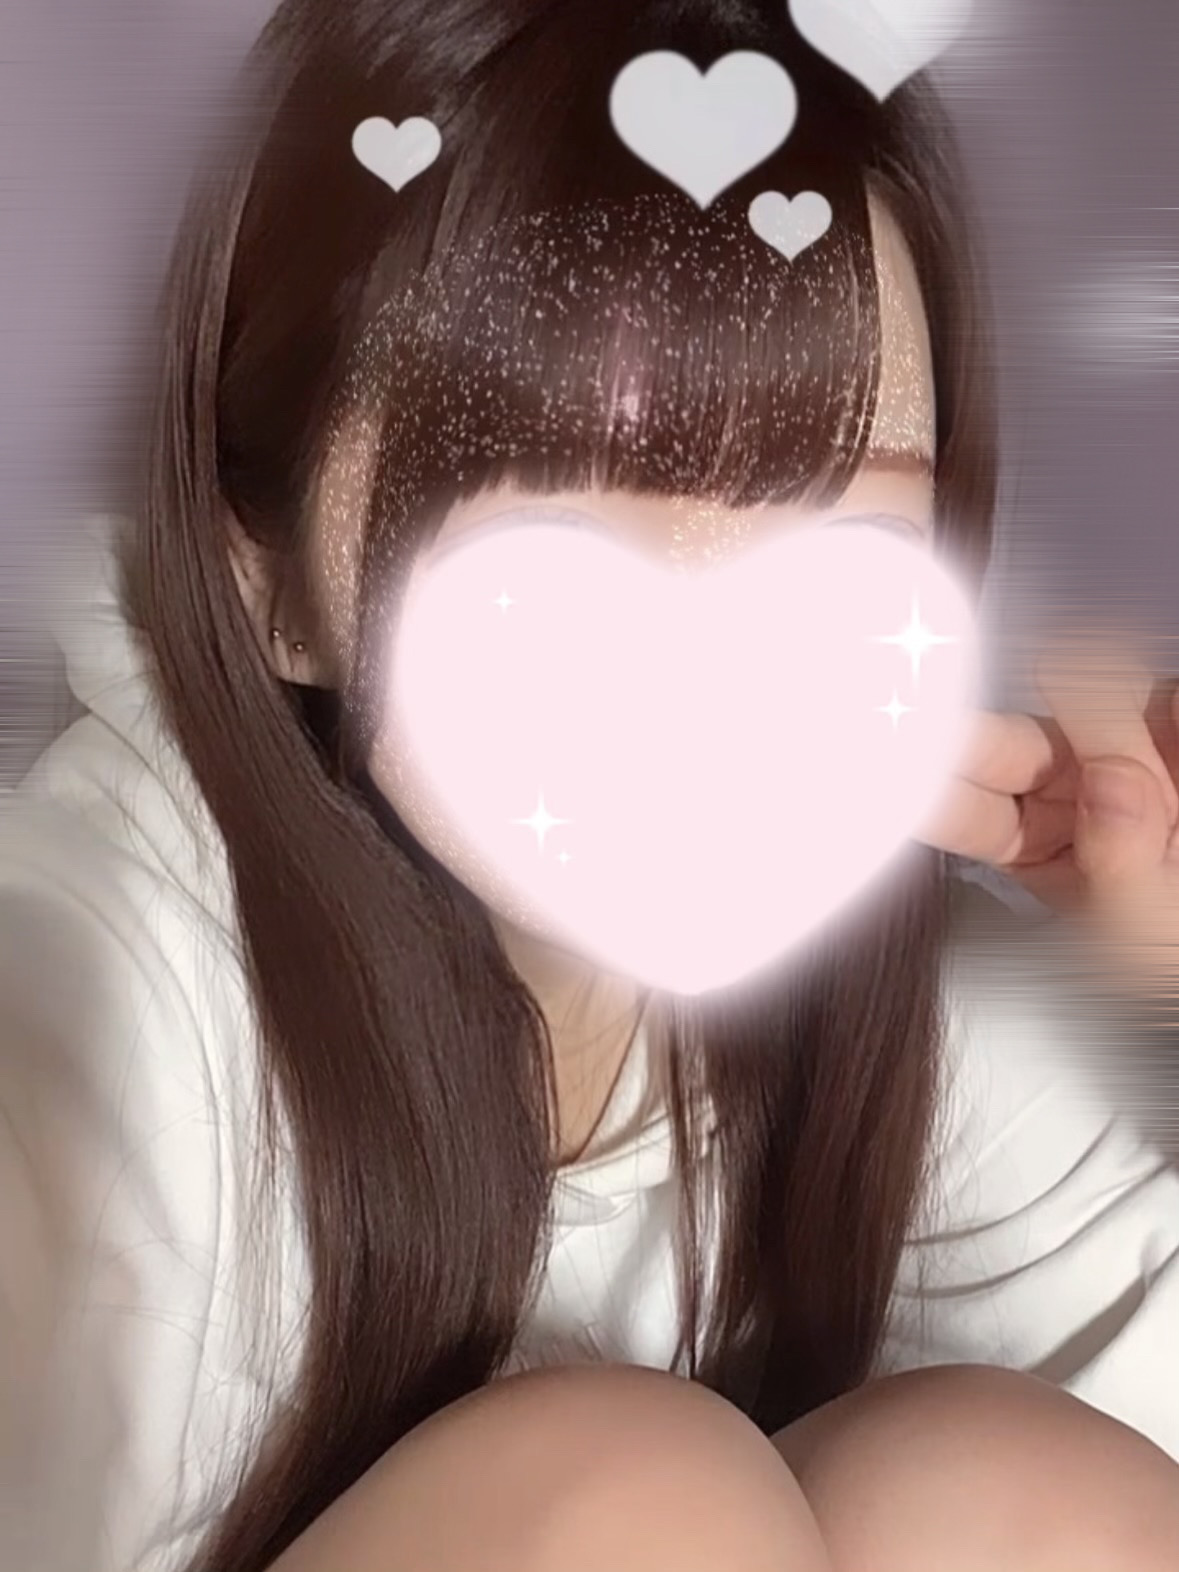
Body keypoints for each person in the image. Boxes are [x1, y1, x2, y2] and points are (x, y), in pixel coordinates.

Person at [2, 2, 1179, 1570]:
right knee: (633, 1502)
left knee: (1021, 1494)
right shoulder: (102, 991)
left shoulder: (879, 974)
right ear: (263, 576)